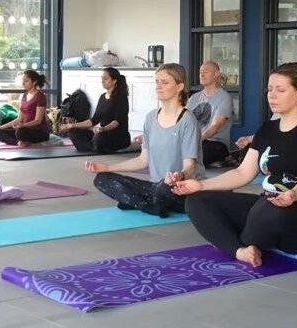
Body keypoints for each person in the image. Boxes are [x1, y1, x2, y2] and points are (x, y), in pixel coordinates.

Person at [174, 63, 297, 267]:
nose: (272, 95)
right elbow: (242, 173)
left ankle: (232, 239)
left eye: (280, 90)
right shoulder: (267, 129)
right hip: (270, 205)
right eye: (269, 89)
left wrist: (293, 195)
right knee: (197, 201)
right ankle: (241, 250)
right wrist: (201, 185)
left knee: (266, 213)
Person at [85, 63, 204, 217]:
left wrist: (179, 176)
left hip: (180, 189)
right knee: (102, 179)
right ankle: (148, 205)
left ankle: (138, 202)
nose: (158, 87)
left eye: (165, 82)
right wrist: (107, 167)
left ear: (180, 86)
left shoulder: (188, 120)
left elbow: (190, 167)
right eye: (157, 82)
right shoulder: (150, 118)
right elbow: (142, 160)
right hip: (155, 186)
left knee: (164, 188)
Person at [61, 67, 130, 152]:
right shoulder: (102, 97)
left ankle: (92, 146)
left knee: (98, 138)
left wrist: (103, 129)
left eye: (105, 79)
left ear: (114, 80)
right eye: (102, 79)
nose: (102, 81)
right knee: (73, 132)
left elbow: (117, 122)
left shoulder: (121, 98)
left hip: (117, 136)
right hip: (102, 133)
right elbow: (93, 120)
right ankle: (94, 147)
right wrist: (72, 125)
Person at [187, 61, 232, 165]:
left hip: (215, 142)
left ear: (216, 74)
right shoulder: (194, 98)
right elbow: (183, 121)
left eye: (206, 71)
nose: (202, 74)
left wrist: (196, 140)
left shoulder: (224, 97)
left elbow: (215, 126)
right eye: (200, 72)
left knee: (192, 158)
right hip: (194, 141)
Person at [0, 70, 50, 146]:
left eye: (26, 81)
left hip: (39, 132)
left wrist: (22, 125)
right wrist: (0, 127)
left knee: (20, 132)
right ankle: (19, 143)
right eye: (23, 81)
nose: (23, 83)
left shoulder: (40, 96)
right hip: (24, 130)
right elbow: (19, 119)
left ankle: (22, 141)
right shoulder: (24, 96)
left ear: (34, 82)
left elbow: (38, 120)